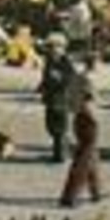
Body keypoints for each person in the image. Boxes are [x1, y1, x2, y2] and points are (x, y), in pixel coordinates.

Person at [38, 34, 79, 163]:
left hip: (62, 99)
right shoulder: (48, 62)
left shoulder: (66, 62)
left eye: (55, 47)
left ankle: (61, 154)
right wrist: (42, 85)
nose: (52, 50)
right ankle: (61, 149)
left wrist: (60, 78)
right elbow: (45, 77)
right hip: (50, 99)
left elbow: (71, 78)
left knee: (60, 127)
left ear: (63, 48)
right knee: (50, 126)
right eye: (49, 47)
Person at [59, 88, 103, 207]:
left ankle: (96, 192)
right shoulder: (85, 111)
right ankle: (69, 197)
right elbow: (86, 130)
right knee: (80, 170)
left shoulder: (84, 110)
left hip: (88, 142)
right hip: (87, 142)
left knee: (92, 167)